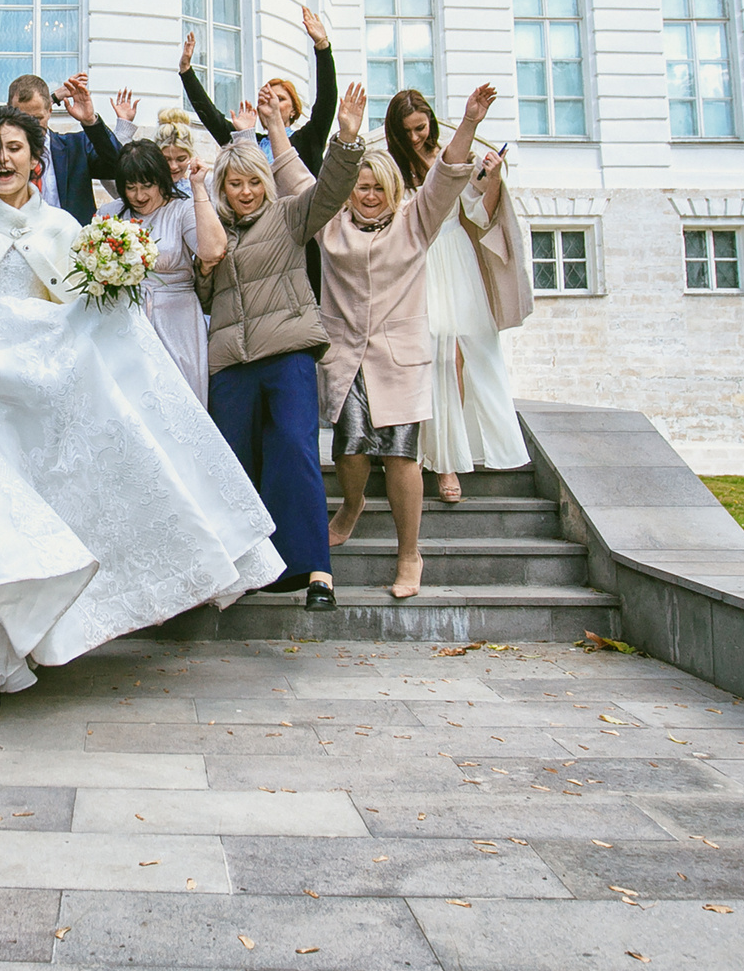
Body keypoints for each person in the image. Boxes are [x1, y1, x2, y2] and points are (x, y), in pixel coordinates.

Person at [0, 110, 280, 732]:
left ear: (35, 158)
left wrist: (115, 288)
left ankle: (38, 640)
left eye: (13, 147)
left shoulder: (64, 227)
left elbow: (90, 308)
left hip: (45, 394)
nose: (2, 158)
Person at [297, 83, 496, 597]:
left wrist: (469, 122)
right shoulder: (330, 223)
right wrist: (281, 128)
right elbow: (295, 177)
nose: (369, 196)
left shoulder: (415, 222)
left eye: (378, 188)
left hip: (399, 357)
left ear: (392, 191)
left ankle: (410, 555)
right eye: (361, 187)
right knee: (350, 451)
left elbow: (446, 177)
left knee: (403, 457)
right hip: (346, 355)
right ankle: (353, 504)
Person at [201, 83, 368, 610]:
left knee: (295, 454)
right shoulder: (213, 229)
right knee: (235, 465)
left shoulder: (290, 214)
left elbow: (332, 191)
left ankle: (318, 572)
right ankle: (250, 568)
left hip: (289, 354)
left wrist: (346, 139)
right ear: (222, 187)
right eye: (235, 183)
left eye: (255, 181)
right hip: (231, 364)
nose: (246, 191)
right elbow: (202, 293)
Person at [386, 89, 535, 494]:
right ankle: (429, 457)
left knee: (462, 358)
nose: (415, 137)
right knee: (431, 358)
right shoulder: (393, 167)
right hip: (416, 262)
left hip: (456, 259)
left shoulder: (453, 157)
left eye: (420, 128)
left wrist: (492, 179)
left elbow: (479, 215)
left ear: (431, 122)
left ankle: (451, 456)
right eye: (406, 131)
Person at [98, 136, 225, 402]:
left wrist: (198, 189)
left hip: (177, 320)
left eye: (147, 186)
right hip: (124, 322)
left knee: (179, 398)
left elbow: (212, 251)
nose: (139, 196)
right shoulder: (109, 214)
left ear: (161, 180)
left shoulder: (182, 210)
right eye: (130, 188)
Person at [179, 6, 339, 172]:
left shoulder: (308, 139)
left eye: (280, 99)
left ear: (293, 110)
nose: (272, 103)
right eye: (266, 100)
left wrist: (322, 46)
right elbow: (211, 117)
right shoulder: (247, 140)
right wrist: (186, 71)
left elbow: (326, 100)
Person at [0, 73, 123, 224]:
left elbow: (119, 167)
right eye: (23, 118)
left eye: (37, 118)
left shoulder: (76, 147)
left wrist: (90, 121)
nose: (30, 126)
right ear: (9, 112)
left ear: (49, 110)